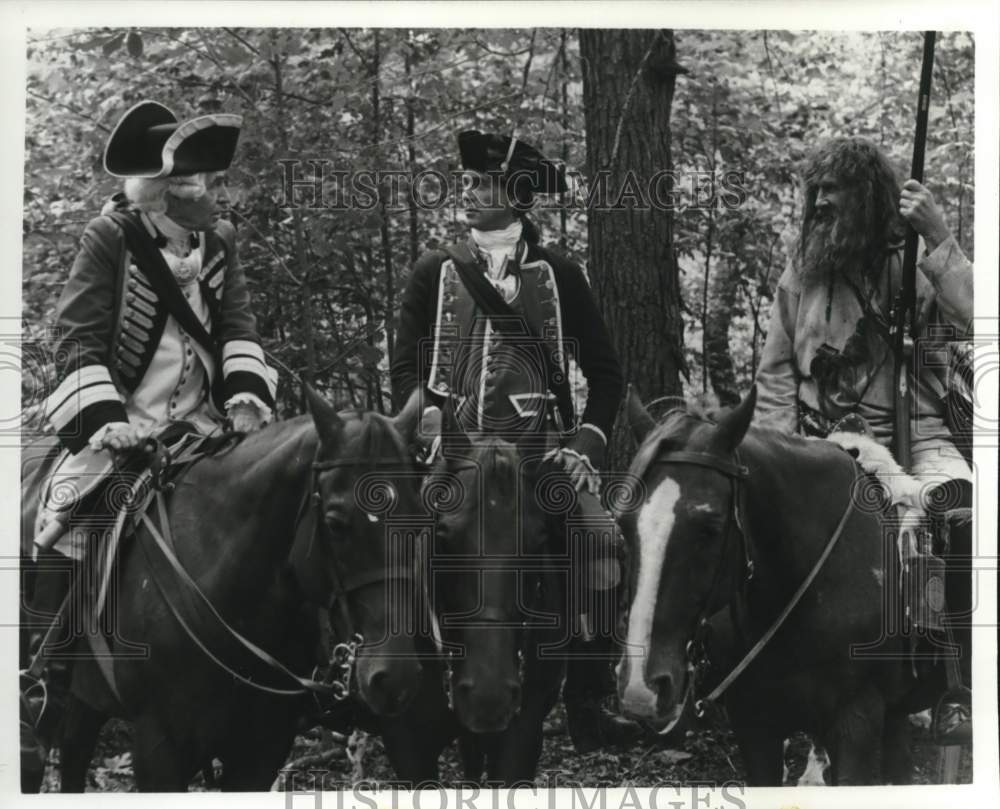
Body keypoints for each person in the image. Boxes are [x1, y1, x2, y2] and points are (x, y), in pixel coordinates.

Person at [24, 100, 276, 726]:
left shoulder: (217, 242)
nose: (206, 191)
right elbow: (77, 335)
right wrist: (105, 418)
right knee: (65, 509)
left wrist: (245, 395)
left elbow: (237, 323)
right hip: (122, 418)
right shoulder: (111, 236)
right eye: (191, 180)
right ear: (161, 191)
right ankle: (43, 674)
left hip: (203, 423)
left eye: (204, 179)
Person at [390, 130, 637, 751]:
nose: (468, 193)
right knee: (391, 545)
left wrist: (583, 444)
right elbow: (403, 371)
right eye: (468, 182)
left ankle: (587, 699)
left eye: (484, 184)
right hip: (453, 456)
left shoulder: (559, 274)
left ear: (519, 197)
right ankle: (384, 696)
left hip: (540, 456)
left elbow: (607, 376)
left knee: (604, 546)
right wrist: (426, 424)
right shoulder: (434, 271)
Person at [754, 136, 973, 738]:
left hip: (918, 433)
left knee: (956, 511)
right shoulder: (802, 273)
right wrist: (775, 450)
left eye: (834, 191)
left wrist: (938, 237)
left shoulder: (914, 265)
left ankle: (952, 680)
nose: (820, 202)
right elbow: (775, 373)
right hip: (821, 440)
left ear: (868, 198)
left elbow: (980, 313)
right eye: (815, 191)